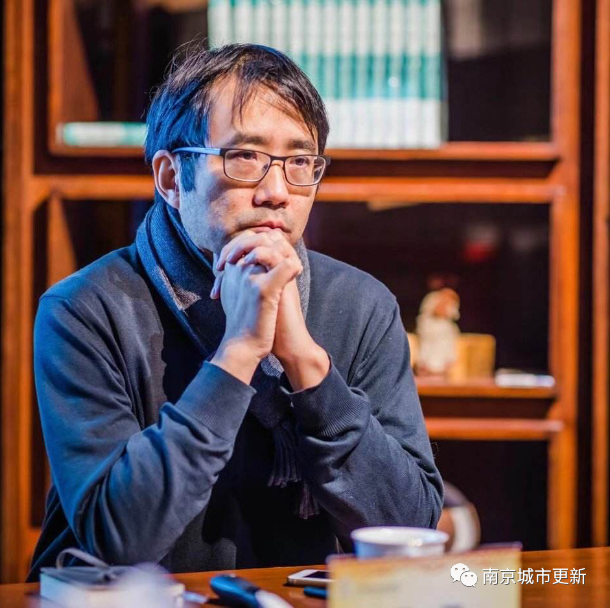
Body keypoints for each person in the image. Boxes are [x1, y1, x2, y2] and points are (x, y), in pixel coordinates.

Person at [28, 43, 443, 580]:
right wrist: (241, 349)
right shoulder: (86, 310)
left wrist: (306, 363)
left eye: (300, 162)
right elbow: (119, 538)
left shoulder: (361, 305)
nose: (277, 192)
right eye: (245, 157)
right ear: (171, 178)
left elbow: (410, 525)